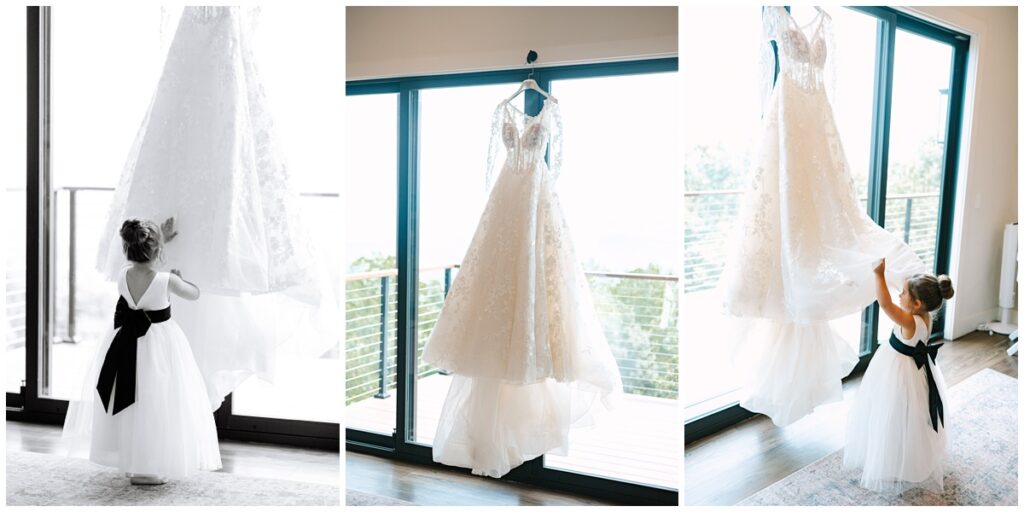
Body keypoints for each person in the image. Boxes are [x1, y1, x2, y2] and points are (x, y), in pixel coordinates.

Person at [62, 218, 221, 484]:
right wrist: (180, 279)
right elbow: (194, 294)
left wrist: (160, 242)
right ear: (158, 251)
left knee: (132, 403)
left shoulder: (123, 275)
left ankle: (132, 461)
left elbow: (142, 265)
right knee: (157, 403)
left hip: (126, 344)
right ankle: (149, 468)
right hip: (159, 347)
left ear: (127, 250)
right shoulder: (167, 280)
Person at [843, 258, 954, 492]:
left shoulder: (909, 320)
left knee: (890, 413)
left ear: (916, 303)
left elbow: (884, 304)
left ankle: (893, 461)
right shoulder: (925, 317)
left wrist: (878, 275)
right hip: (916, 371)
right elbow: (902, 294)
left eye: (903, 293)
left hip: (897, 372)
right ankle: (908, 454)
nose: (898, 296)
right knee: (909, 416)